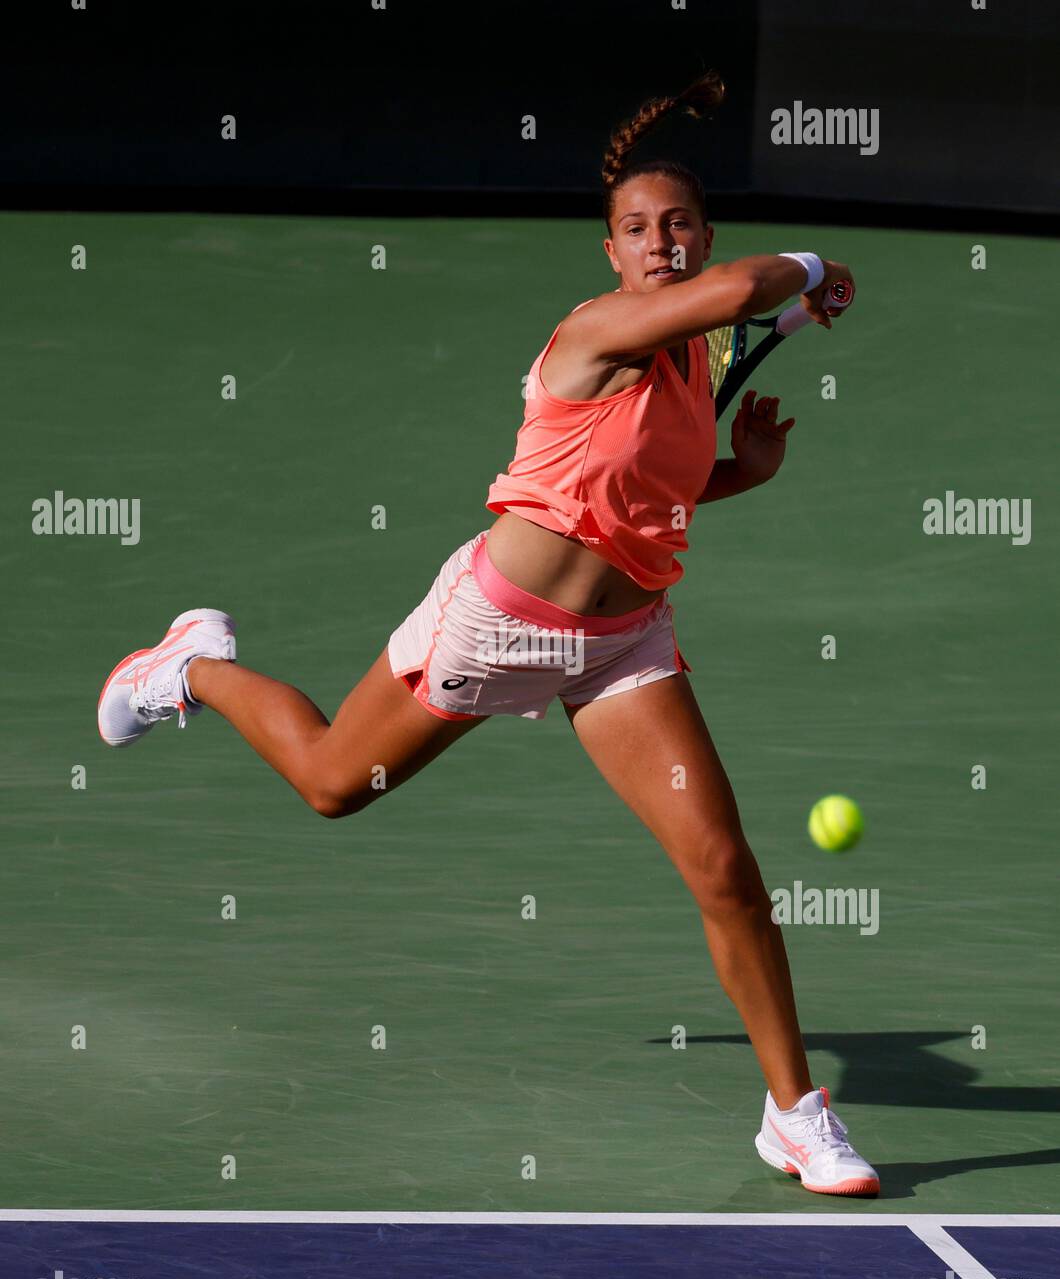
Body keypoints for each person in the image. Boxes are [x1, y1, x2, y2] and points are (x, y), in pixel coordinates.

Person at [98, 72, 879, 1197]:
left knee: (726, 870)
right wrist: (809, 271)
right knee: (328, 781)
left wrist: (735, 474)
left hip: (626, 646)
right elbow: (753, 286)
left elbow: (638, 499)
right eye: (637, 230)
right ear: (611, 252)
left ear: (702, 231)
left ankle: (794, 1113)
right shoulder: (596, 332)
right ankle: (194, 666)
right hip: (494, 629)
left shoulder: (692, 366)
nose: (659, 243)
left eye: (677, 227)